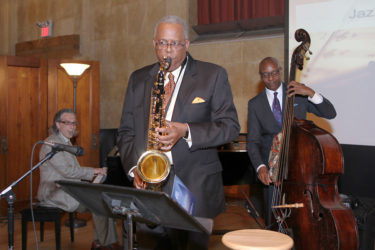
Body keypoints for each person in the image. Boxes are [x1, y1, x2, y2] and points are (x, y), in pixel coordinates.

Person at [117, 15, 240, 249]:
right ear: (154, 43)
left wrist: (186, 130)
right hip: (151, 181)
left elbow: (230, 127)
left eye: (174, 44)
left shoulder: (212, 75)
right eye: (162, 43)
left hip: (197, 185)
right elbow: (126, 131)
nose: (167, 51)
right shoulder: (139, 78)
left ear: (187, 44)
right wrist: (136, 170)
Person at [247, 57, 337, 226]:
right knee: (273, 221)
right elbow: (253, 141)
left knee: (303, 221)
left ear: (280, 71)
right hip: (273, 175)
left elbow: (330, 113)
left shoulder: (298, 94)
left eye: (274, 73)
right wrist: (260, 167)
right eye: (266, 75)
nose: (271, 78)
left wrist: (310, 92)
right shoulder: (255, 104)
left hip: (301, 170)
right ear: (260, 76)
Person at [37, 108, 121, 250]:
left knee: (105, 198)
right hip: (54, 192)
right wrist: (95, 171)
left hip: (69, 189)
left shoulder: (66, 142)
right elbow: (67, 171)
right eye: (68, 123)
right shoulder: (51, 144)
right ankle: (104, 244)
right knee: (99, 202)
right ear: (58, 125)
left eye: (74, 123)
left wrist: (92, 177)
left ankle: (102, 242)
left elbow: (72, 172)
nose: (72, 127)